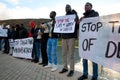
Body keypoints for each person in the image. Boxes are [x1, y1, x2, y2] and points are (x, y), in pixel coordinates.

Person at [78, 2, 99, 80]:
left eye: (87, 5)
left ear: (91, 7)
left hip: (93, 40)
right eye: (85, 6)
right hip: (85, 40)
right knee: (84, 58)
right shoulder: (83, 17)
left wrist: (84, 19)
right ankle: (85, 74)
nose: (85, 7)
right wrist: (80, 21)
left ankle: (95, 76)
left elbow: (95, 21)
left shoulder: (95, 13)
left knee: (94, 59)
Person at [59, 4, 79, 77]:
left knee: (71, 55)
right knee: (64, 53)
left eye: (68, 7)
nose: (67, 8)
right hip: (64, 37)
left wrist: (76, 16)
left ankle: (72, 70)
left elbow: (77, 25)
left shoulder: (74, 15)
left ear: (70, 8)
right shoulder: (64, 17)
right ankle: (65, 67)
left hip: (71, 37)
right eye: (66, 8)